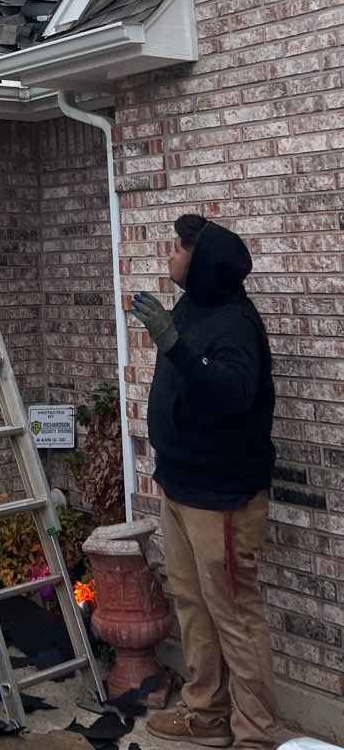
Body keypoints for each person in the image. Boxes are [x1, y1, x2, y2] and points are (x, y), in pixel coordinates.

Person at [132, 216, 278, 750]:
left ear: (203, 262)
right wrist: (175, 339)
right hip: (180, 486)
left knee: (235, 617)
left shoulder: (235, 322)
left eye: (178, 250)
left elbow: (233, 393)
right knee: (193, 606)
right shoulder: (193, 307)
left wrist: (175, 345)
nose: (169, 257)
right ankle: (206, 713)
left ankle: (256, 735)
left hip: (222, 499)